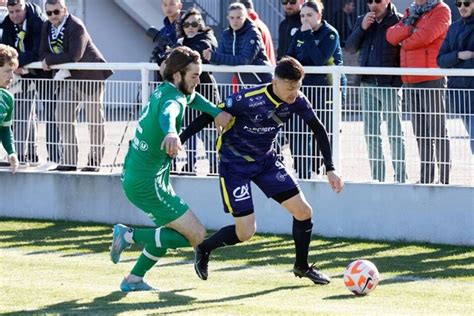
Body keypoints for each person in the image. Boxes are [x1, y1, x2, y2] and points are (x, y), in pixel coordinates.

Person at [180, 56, 344, 285]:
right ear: (275, 82)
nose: (294, 93)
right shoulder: (247, 99)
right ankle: (204, 248)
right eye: (289, 88)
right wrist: (180, 140)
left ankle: (301, 266)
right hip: (234, 166)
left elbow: (318, 128)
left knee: (304, 212)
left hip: (266, 162)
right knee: (246, 232)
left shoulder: (297, 100)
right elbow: (209, 115)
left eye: (297, 87)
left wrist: (331, 168)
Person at [109, 46, 232, 292]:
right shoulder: (173, 99)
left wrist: (216, 112)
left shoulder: (169, 89)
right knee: (196, 235)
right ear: (177, 75)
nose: (199, 80)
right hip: (147, 184)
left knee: (169, 231)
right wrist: (171, 132)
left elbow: (191, 98)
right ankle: (128, 236)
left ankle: (133, 279)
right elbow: (170, 112)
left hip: (143, 175)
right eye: (194, 76)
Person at [39, 0, 113, 172]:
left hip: (90, 77)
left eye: (56, 12)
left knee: (94, 121)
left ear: (64, 10)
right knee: (62, 115)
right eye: (49, 13)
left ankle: (94, 161)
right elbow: (42, 51)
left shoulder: (76, 25)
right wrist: (47, 58)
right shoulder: (46, 26)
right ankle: (69, 160)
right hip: (68, 78)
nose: (53, 16)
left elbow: (74, 55)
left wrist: (49, 60)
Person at [387, 0, 451, 184]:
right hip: (410, 80)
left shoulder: (441, 10)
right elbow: (391, 36)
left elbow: (424, 37)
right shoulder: (411, 12)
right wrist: (409, 32)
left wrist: (404, 38)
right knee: (421, 133)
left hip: (431, 78)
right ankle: (426, 178)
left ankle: (445, 179)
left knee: (438, 132)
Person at [345, 0, 407, 183]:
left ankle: (401, 179)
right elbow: (350, 47)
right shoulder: (362, 20)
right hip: (367, 84)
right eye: (369, 1)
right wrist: (362, 28)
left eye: (377, 1)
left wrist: (397, 83)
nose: (373, 5)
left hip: (389, 85)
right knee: (371, 135)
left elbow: (404, 54)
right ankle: (378, 179)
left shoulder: (399, 20)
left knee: (395, 134)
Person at [286, 0, 345, 178]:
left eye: (309, 15)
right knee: (297, 129)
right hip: (303, 89)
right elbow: (289, 58)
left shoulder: (330, 34)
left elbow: (319, 60)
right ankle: (302, 171)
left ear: (319, 16)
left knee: (321, 129)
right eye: (302, 15)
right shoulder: (299, 32)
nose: (305, 19)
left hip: (324, 90)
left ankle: (319, 169)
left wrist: (308, 36)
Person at [1, 0, 61, 167]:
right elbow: (6, 51)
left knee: (51, 114)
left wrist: (17, 63)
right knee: (22, 114)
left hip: (44, 74)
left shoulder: (38, 21)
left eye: (18, 11)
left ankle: (55, 159)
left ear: (25, 6)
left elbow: (38, 52)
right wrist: (15, 65)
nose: (14, 15)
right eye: (11, 12)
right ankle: (27, 156)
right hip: (22, 76)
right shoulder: (7, 22)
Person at [176, 7, 220, 174]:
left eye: (195, 23)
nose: (191, 27)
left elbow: (204, 48)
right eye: (187, 24)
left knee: (209, 133)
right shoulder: (181, 41)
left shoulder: (206, 37)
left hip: (206, 89)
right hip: (188, 91)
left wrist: (182, 49)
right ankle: (189, 163)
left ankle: (214, 166)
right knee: (190, 130)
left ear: (201, 24)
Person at [202, 2, 272, 87]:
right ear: (228, 18)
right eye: (232, 18)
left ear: (245, 17)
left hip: (264, 82)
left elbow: (245, 59)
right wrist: (211, 56)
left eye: (239, 17)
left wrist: (215, 57)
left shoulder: (253, 33)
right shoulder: (226, 34)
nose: (235, 21)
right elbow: (219, 57)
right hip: (244, 85)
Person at [437, 0, 474, 154]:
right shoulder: (454, 28)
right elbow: (440, 60)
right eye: (459, 4)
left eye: (467, 3)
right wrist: (459, 55)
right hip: (460, 94)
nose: (462, 8)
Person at [150, 0, 183, 81]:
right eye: (165, 5)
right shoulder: (163, 30)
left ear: (180, 5)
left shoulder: (187, 26)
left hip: (181, 76)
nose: (168, 7)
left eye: (172, 4)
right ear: (162, 7)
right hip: (163, 76)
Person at [236, 0, 276, 65]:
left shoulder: (250, 27)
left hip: (256, 73)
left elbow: (247, 58)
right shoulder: (261, 24)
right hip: (267, 70)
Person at [0, 43, 19, 173]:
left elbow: (5, 129)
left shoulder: (8, 98)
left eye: (13, 72)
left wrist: (11, 152)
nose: (12, 77)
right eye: (7, 71)